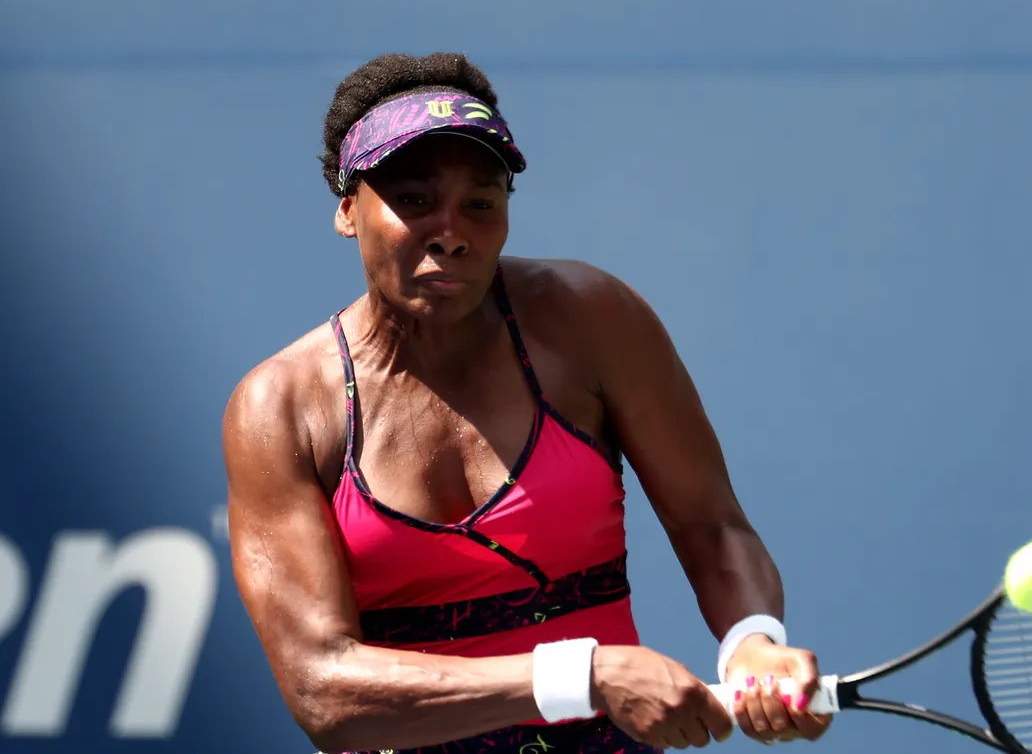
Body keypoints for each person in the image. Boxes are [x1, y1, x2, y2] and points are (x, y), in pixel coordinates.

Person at [222, 51, 832, 754]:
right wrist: (585, 675)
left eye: (481, 203)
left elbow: (711, 525)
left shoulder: (589, 316)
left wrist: (752, 644)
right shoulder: (278, 408)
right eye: (413, 200)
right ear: (346, 209)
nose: (451, 231)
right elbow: (322, 689)